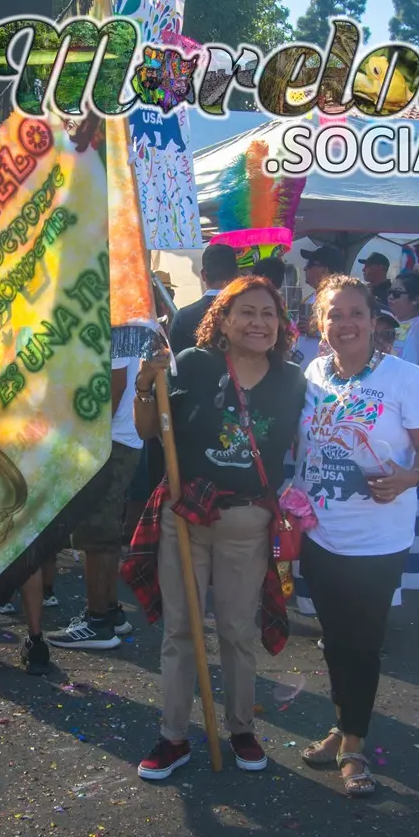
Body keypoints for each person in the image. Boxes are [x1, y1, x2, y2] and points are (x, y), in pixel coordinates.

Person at [126, 276, 306, 780]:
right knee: (180, 631)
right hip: (185, 515)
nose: (258, 322)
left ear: (280, 324)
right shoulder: (195, 365)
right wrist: (146, 382)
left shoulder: (292, 379)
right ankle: (173, 737)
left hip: (248, 520)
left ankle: (242, 729)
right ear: (223, 320)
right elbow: (147, 431)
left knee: (235, 630)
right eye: (246, 312)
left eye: (268, 313)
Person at [295, 275, 419, 797]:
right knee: (334, 640)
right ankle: (343, 724)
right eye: (334, 314)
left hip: (379, 538)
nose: (345, 323)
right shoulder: (312, 373)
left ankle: (354, 745)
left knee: (363, 643)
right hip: (320, 534)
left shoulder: (404, 378)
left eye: (356, 312)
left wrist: (409, 478)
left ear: (375, 320)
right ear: (321, 323)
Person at [42, 326, 149, 650]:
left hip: (109, 440)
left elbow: (113, 387)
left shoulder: (117, 323)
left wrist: (89, 437)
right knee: (104, 533)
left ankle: (97, 620)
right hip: (122, 437)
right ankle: (111, 612)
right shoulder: (130, 321)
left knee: (96, 535)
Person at [168, 243, 237, 354]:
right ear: (236, 274)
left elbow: (176, 365)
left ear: (203, 275)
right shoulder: (252, 312)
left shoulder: (183, 316)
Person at [294, 246, 346, 367]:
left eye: (310, 264)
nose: (305, 268)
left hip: (328, 370)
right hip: (304, 368)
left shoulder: (343, 298)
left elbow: (346, 331)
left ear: (324, 270)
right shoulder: (309, 298)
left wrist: (316, 330)